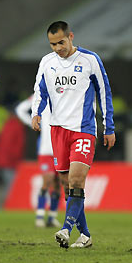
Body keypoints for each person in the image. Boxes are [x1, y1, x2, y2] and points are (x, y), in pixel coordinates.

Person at [31, 21, 115, 248]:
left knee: (77, 180)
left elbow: (104, 92)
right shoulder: (47, 63)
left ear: (71, 37)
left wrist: (109, 127)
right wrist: (36, 113)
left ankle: (66, 229)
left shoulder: (89, 60)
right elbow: (40, 90)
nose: (57, 48)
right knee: (67, 184)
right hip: (57, 131)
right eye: (52, 44)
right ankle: (85, 234)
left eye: (61, 42)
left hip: (83, 130)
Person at [16, 95, 61, 228]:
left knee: (58, 184)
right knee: (47, 181)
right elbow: (20, 109)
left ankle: (52, 217)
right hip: (46, 149)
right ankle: (40, 216)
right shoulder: (41, 95)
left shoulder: (64, 93)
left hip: (60, 148)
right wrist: (33, 123)